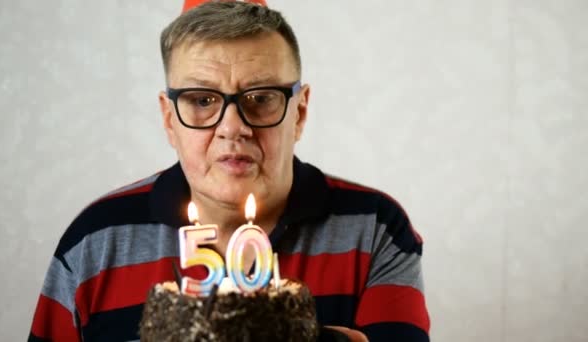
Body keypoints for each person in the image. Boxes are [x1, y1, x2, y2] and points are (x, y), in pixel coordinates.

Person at [28, 1, 430, 341]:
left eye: (261, 98)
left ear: (300, 112)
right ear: (170, 120)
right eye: (202, 99)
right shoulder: (95, 241)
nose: (232, 126)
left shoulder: (375, 228)